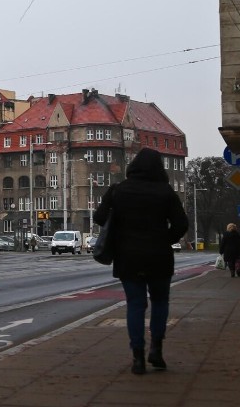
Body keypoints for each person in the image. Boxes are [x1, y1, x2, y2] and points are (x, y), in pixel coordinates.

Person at [93, 148, 188, 375]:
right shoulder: (166, 192)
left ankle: (137, 357)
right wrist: (166, 239)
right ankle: (156, 348)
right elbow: (181, 224)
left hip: (128, 257)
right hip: (159, 256)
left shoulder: (118, 191)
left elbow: (98, 217)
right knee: (160, 301)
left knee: (135, 304)